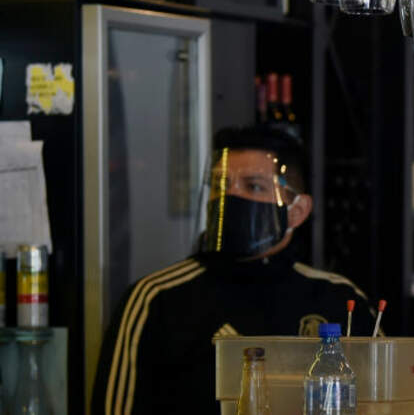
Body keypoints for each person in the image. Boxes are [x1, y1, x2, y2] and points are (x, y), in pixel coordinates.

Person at [92, 126, 377, 415]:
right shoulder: (157, 299)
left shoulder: (338, 300)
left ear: (297, 210)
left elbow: (385, 399)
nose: (230, 197)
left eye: (254, 186)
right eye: (220, 185)